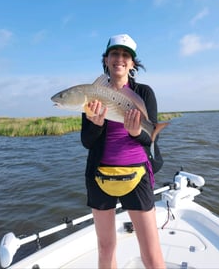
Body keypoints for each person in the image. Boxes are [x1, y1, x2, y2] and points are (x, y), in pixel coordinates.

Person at [81, 34, 166, 269]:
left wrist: (136, 131)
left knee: (151, 252)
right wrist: (96, 126)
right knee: (105, 248)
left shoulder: (144, 93)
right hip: (99, 177)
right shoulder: (92, 93)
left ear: (132, 63)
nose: (119, 58)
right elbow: (87, 142)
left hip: (137, 175)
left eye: (125, 55)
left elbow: (150, 137)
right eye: (115, 54)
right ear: (106, 60)